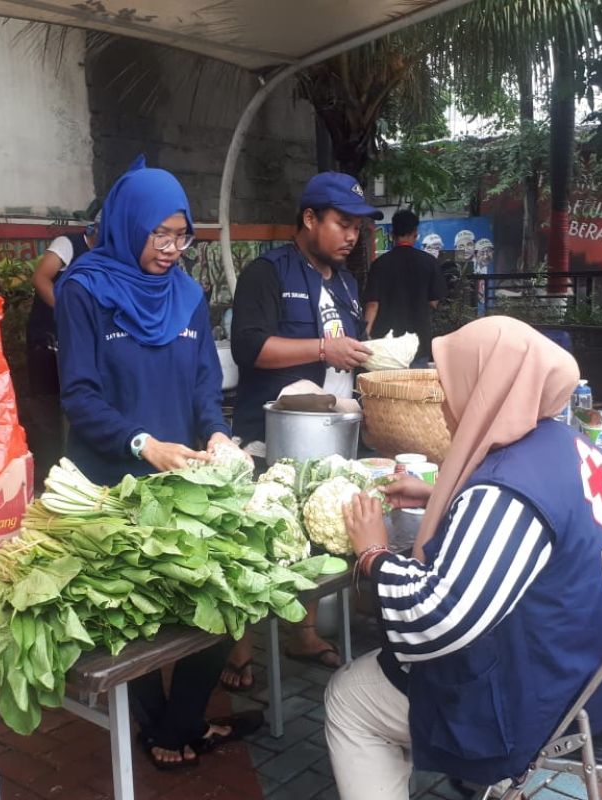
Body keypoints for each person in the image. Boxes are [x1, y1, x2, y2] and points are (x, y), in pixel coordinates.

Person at [325, 316, 602, 798]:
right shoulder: (573, 444)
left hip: (542, 697)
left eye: (452, 383)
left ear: (488, 388)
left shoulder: (506, 491)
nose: (446, 400)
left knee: (348, 695)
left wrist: (373, 552)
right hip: (601, 670)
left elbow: (437, 617)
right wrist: (439, 492)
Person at [54, 155, 259, 770]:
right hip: (111, 480)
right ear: (127, 224)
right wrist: (143, 445)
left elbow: (202, 387)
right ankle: (167, 726)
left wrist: (218, 436)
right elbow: (79, 396)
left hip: (184, 480)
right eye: (159, 234)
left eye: (181, 235)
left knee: (220, 605)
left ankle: (175, 726)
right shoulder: (83, 290)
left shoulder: (188, 294)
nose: (172, 249)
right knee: (131, 617)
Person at [224, 171, 380, 688]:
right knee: (257, 539)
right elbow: (250, 348)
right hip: (270, 435)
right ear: (309, 219)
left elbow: (347, 355)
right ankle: (239, 653)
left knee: (316, 535)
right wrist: (321, 348)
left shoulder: (349, 284)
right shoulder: (267, 273)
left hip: (332, 435)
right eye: (342, 223)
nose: (351, 235)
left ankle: (303, 632)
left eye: (357, 226)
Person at [22, 211, 99, 485]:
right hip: (48, 338)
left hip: (79, 342)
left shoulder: (109, 255)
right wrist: (68, 311)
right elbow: (41, 278)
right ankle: (45, 472)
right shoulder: (68, 244)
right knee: (46, 405)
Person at [363, 209, 446, 365]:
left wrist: (365, 335)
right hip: (418, 342)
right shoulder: (429, 262)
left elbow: (373, 304)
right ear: (415, 232)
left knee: (386, 388)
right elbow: (434, 302)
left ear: (393, 234)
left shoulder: (379, 265)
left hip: (387, 344)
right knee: (413, 388)